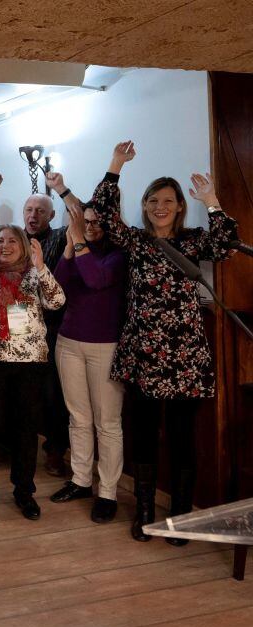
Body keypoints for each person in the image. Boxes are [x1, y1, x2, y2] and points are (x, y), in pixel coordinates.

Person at [88, 141, 238, 543]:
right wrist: (115, 165)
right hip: (143, 355)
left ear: (178, 207)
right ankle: (143, 514)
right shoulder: (137, 241)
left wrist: (212, 200)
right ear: (146, 204)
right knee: (143, 435)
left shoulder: (192, 242)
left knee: (182, 439)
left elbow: (226, 244)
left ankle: (180, 519)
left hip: (185, 356)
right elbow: (101, 212)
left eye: (168, 200)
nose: (160, 206)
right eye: (154, 200)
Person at [0, 226, 66, 520]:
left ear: (24, 246)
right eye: (0, 241)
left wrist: (42, 267)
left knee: (26, 430)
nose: (5, 246)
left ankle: (24, 492)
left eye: (12, 241)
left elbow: (57, 301)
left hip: (30, 363)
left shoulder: (34, 275)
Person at [0, 182, 72, 478]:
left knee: (37, 412)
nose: (33, 215)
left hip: (35, 348)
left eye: (40, 210)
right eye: (29, 209)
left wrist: (62, 190)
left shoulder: (47, 252)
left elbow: (56, 300)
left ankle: (31, 477)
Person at [45, 172, 128, 523]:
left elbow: (95, 280)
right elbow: (58, 286)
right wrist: (68, 248)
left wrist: (78, 243)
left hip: (105, 347)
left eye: (95, 222)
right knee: (78, 418)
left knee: (107, 422)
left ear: (108, 224)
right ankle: (80, 479)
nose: (90, 227)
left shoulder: (118, 255)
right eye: (85, 222)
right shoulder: (78, 250)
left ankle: (107, 491)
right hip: (69, 342)